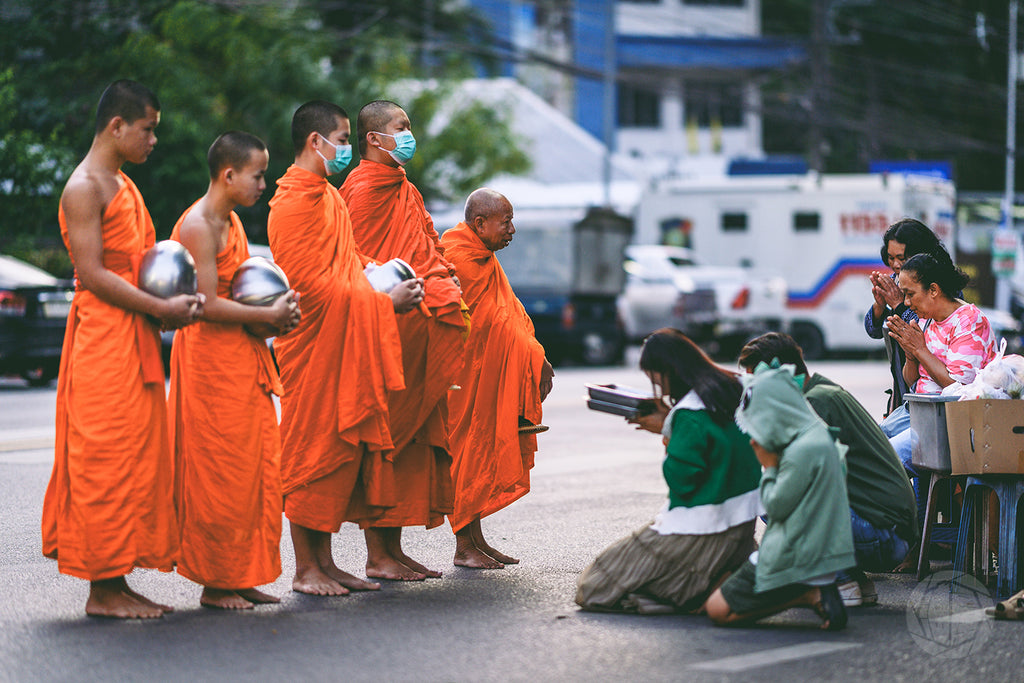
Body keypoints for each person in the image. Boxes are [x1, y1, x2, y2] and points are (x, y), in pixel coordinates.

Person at [41, 80, 203, 619]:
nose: (153, 140)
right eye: (148, 129)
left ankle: (119, 580)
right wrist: (160, 310)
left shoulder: (123, 185)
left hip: (133, 333)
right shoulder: (85, 186)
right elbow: (90, 274)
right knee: (103, 457)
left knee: (135, 455)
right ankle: (101, 590)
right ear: (117, 126)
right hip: (103, 336)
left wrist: (169, 298)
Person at [267, 100, 424, 596]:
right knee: (310, 453)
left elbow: (346, 258)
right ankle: (304, 568)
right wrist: (382, 300)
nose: (347, 149)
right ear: (317, 142)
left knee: (338, 454)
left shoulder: (328, 196)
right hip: (313, 343)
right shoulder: (294, 200)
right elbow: (310, 286)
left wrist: (381, 269)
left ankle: (327, 561)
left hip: (343, 336)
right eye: (343, 139)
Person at [167, 131, 300, 609]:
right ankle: (216, 583)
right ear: (228, 175)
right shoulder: (199, 225)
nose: (263, 184)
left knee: (254, 470)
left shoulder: (233, 222)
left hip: (244, 358)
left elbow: (243, 289)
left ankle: (242, 574)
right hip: (210, 364)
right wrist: (267, 317)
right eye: (258, 175)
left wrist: (278, 306)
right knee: (220, 472)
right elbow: (203, 305)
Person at [341, 100, 466, 580]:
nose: (409, 135)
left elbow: (428, 245)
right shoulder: (362, 189)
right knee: (386, 439)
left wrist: (442, 277)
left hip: (420, 323)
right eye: (402, 127)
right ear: (374, 138)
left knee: (411, 441)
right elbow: (352, 255)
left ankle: (392, 550)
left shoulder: (405, 190)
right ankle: (377, 554)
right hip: (389, 326)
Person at [575, 329, 762, 614]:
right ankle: (716, 582)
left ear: (669, 372)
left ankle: (698, 593)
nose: (657, 388)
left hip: (702, 527)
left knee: (595, 585)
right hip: (743, 525)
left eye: (656, 380)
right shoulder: (734, 388)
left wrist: (668, 432)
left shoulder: (688, 416)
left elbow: (683, 481)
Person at [738, 332, 918, 607]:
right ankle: (855, 580)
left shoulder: (814, 405)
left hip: (885, 535)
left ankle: (839, 582)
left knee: (773, 501)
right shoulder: (820, 391)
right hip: (888, 529)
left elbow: (795, 484)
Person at [439, 189, 555, 568]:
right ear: (480, 224)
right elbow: (486, 323)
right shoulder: (460, 258)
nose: (512, 229)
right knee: (468, 453)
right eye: (505, 222)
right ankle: (463, 547)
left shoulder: (483, 257)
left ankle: (476, 539)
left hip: (486, 373)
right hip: (466, 375)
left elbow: (509, 313)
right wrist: (532, 354)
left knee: (482, 450)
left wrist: (535, 355)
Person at [705, 361, 856, 630]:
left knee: (716, 609)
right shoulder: (817, 434)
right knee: (721, 583)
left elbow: (774, 507)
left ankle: (806, 594)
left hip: (797, 555)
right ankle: (808, 591)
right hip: (822, 551)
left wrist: (769, 465)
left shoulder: (800, 451)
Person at [885, 252, 996, 568]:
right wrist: (910, 355)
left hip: (953, 422)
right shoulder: (925, 320)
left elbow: (958, 388)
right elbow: (912, 380)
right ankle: (912, 542)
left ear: (933, 289)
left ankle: (900, 540)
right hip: (920, 414)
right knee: (866, 446)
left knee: (885, 459)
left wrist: (919, 349)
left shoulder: (969, 321)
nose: (907, 303)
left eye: (910, 293)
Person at [864, 219, 953, 424]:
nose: (895, 265)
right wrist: (879, 305)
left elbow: (925, 327)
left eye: (901, 258)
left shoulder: (942, 284)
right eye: (890, 258)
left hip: (933, 392)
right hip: (903, 387)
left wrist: (897, 304)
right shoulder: (897, 280)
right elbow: (873, 330)